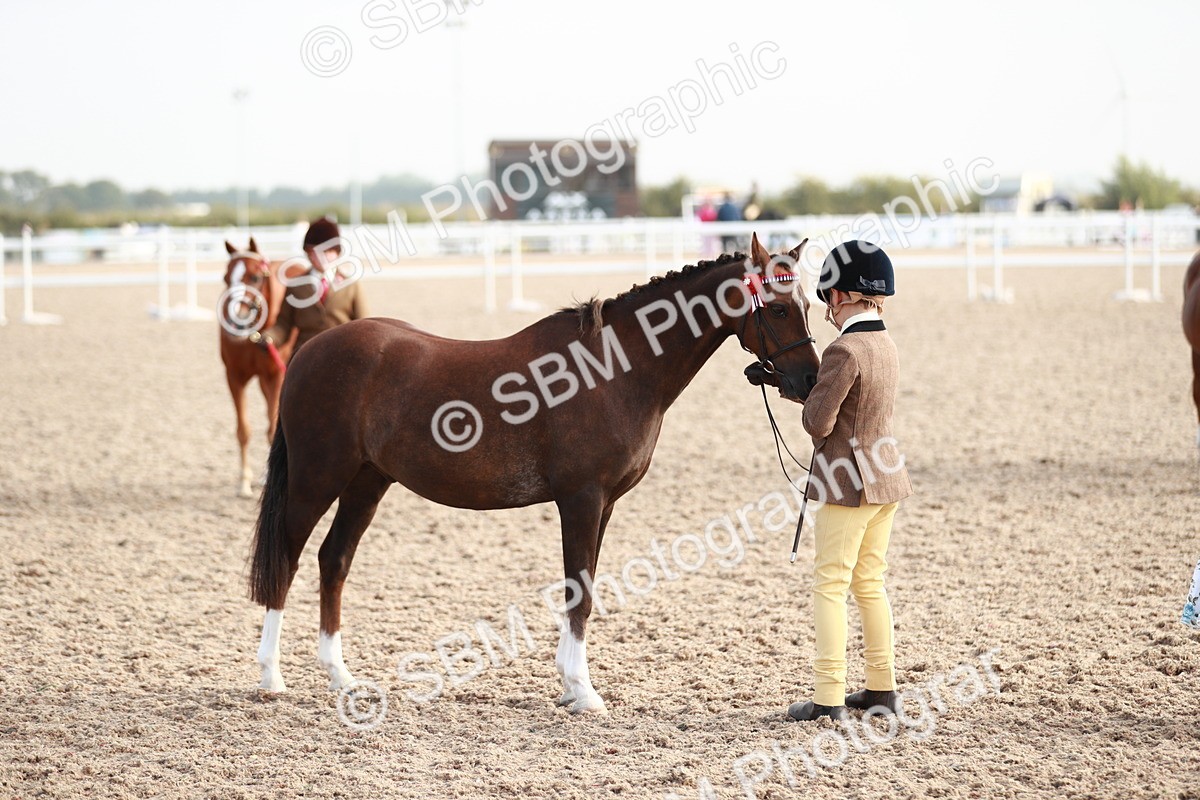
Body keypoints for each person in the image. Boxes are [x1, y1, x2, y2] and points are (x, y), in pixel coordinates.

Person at [786, 240, 913, 722]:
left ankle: (828, 697)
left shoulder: (844, 349)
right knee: (870, 584)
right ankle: (883, 690)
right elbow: (857, 408)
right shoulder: (886, 344)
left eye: (827, 300)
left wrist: (801, 396)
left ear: (841, 295)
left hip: (847, 483)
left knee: (830, 585)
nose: (827, 311)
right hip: (886, 480)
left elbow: (819, 423)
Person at [251, 217, 368, 354]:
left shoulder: (351, 286)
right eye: (316, 252)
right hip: (305, 356)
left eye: (328, 252)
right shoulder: (295, 286)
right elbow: (283, 324)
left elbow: (363, 325)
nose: (322, 257)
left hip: (341, 355)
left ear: (337, 253)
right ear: (308, 253)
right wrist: (269, 337)